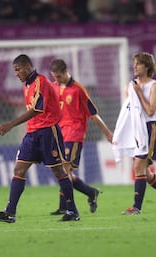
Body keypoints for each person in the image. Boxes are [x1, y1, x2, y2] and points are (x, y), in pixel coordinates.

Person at [0, 54, 80, 223]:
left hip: (47, 132)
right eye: (14, 70)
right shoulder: (27, 86)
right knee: (19, 170)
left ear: (28, 67)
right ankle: (9, 213)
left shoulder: (41, 82)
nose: (16, 73)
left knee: (59, 171)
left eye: (18, 69)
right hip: (32, 134)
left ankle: (72, 210)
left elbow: (37, 109)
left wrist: (11, 124)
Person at [112, 52, 156, 215]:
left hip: (149, 130)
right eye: (134, 63)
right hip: (136, 131)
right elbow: (128, 111)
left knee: (138, 167)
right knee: (146, 173)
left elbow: (150, 111)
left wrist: (138, 93)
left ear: (147, 66)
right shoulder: (130, 86)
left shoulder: (155, 86)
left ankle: (137, 207)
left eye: (138, 63)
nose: (135, 66)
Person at [49, 59, 113, 215]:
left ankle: (66, 207)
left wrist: (107, 132)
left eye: (58, 76)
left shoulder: (79, 90)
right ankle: (90, 193)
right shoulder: (53, 87)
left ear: (65, 72)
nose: (56, 80)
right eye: (54, 77)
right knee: (63, 171)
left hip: (74, 133)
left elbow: (93, 114)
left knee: (65, 169)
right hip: (59, 133)